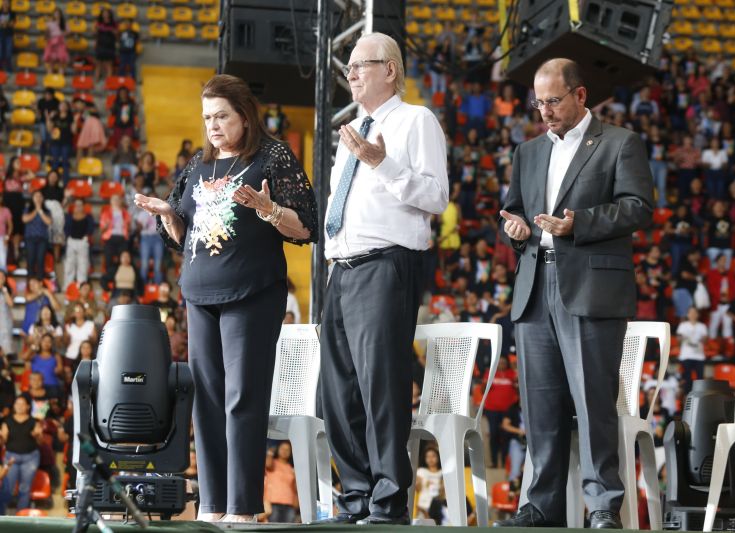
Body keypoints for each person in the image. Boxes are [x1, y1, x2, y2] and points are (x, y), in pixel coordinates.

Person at [134, 74, 317, 522]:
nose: (212, 126)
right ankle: (212, 505)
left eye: (221, 116)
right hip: (200, 293)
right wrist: (168, 217)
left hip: (252, 292)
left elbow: (308, 225)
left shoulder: (272, 156)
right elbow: (183, 234)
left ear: (244, 115)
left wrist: (268, 209)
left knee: (242, 397)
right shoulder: (198, 165)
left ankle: (242, 507)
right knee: (207, 399)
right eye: (207, 118)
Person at [495, 58, 654, 529]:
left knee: (592, 404)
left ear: (580, 95)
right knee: (540, 406)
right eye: (538, 101)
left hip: (590, 287)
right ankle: (541, 505)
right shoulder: (526, 152)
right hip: (533, 285)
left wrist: (576, 224)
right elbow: (513, 210)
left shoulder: (620, 142)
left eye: (553, 100)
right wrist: (516, 228)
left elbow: (638, 207)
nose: (544, 110)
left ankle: (603, 506)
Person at [318, 32, 448, 525]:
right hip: (342, 268)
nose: (350, 74)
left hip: (386, 263)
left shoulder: (416, 121)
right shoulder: (351, 129)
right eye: (347, 68)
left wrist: (381, 162)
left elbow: (436, 197)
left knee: (380, 386)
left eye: (359, 65)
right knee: (338, 392)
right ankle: (354, 497)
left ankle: (389, 502)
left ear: (390, 70)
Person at [1, 396, 42, 511]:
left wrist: (37, 435)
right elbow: (3, 441)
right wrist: (2, 437)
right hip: (11, 459)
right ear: (14, 406)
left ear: (28, 407)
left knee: (25, 488)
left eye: (22, 404)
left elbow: (40, 441)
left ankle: (21, 515)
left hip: (30, 458)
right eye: (17, 403)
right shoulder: (7, 421)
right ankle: (2, 515)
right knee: (7, 487)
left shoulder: (34, 421)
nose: (19, 406)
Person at [263, 442, 299, 523]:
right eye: (282, 448)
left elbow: (294, 488)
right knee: (273, 529)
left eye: (288, 449)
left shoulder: (291, 468)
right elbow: (268, 464)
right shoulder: (272, 462)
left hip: (289, 505)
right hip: (273, 504)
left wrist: (295, 505)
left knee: (288, 530)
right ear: (278, 449)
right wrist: (270, 451)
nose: (285, 451)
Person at [63, 198, 95, 285]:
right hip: (71, 242)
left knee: (83, 266)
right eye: (76, 205)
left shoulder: (88, 217)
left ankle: (81, 286)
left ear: (83, 206)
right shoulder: (69, 216)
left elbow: (91, 229)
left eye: (80, 205)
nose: (78, 207)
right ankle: (68, 286)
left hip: (83, 242)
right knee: (69, 266)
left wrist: (86, 237)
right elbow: (65, 229)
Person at [22, 190, 52, 279]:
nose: (38, 198)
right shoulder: (28, 209)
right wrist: (36, 210)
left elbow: (48, 222)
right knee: (30, 260)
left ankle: (40, 282)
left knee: (40, 260)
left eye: (40, 196)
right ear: (33, 198)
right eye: (36, 196)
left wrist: (40, 211)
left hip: (42, 239)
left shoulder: (47, 211)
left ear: (43, 199)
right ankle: (30, 282)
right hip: (30, 238)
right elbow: (25, 219)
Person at [42, 8, 68, 75]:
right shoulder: (49, 23)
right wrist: (48, 36)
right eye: (55, 13)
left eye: (58, 13)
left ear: (60, 14)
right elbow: (46, 34)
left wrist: (61, 34)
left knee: (60, 60)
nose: (56, 14)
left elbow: (67, 32)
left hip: (60, 43)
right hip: (51, 43)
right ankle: (50, 75)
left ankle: (60, 75)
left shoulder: (64, 23)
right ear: (53, 14)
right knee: (51, 61)